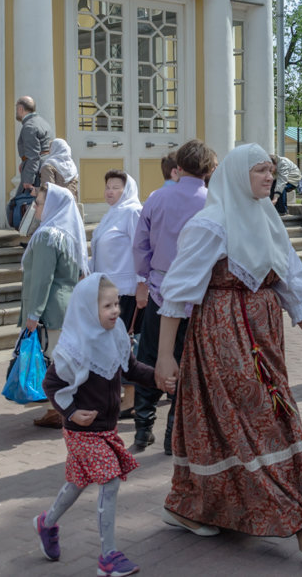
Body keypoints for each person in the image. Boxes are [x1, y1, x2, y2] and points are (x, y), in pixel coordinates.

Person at [154, 143, 302, 565]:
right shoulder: (210, 224)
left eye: (271, 170)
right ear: (237, 176)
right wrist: (164, 356)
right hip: (222, 336)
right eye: (260, 170)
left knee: (247, 423)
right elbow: (177, 292)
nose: (269, 177)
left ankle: (187, 506)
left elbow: (290, 284)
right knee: (259, 422)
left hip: (264, 337)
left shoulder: (267, 220)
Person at [36, 274, 158, 577]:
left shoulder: (115, 334)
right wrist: (72, 412)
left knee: (77, 483)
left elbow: (131, 368)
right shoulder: (73, 345)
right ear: (88, 309)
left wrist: (159, 377)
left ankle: (46, 523)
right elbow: (50, 384)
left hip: (106, 429)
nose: (116, 310)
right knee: (109, 479)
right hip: (82, 432)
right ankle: (108, 556)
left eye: (117, 303)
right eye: (107, 305)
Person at [130, 139, 215, 450]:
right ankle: (172, 433)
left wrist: (146, 275)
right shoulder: (212, 201)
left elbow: (140, 246)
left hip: (161, 289)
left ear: (179, 165)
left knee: (150, 355)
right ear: (209, 169)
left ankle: (143, 425)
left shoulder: (157, 197)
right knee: (186, 360)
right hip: (196, 292)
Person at [22, 182, 89, 429]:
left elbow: (42, 279)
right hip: (67, 306)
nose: (34, 207)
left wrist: (33, 313)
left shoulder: (48, 235)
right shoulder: (68, 233)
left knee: (51, 360)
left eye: (38, 203)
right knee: (62, 360)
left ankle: (59, 410)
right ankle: (60, 407)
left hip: (50, 310)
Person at [90, 170, 142, 332]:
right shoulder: (111, 213)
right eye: (107, 187)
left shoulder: (133, 212)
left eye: (115, 187)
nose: (109, 191)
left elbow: (141, 248)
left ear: (127, 190)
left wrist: (142, 284)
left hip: (125, 291)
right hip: (106, 289)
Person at [17, 95, 54, 191]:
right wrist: (24, 162)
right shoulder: (44, 122)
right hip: (45, 167)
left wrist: (28, 179)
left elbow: (33, 156)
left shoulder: (29, 126)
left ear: (20, 109)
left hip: (36, 172)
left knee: (19, 203)